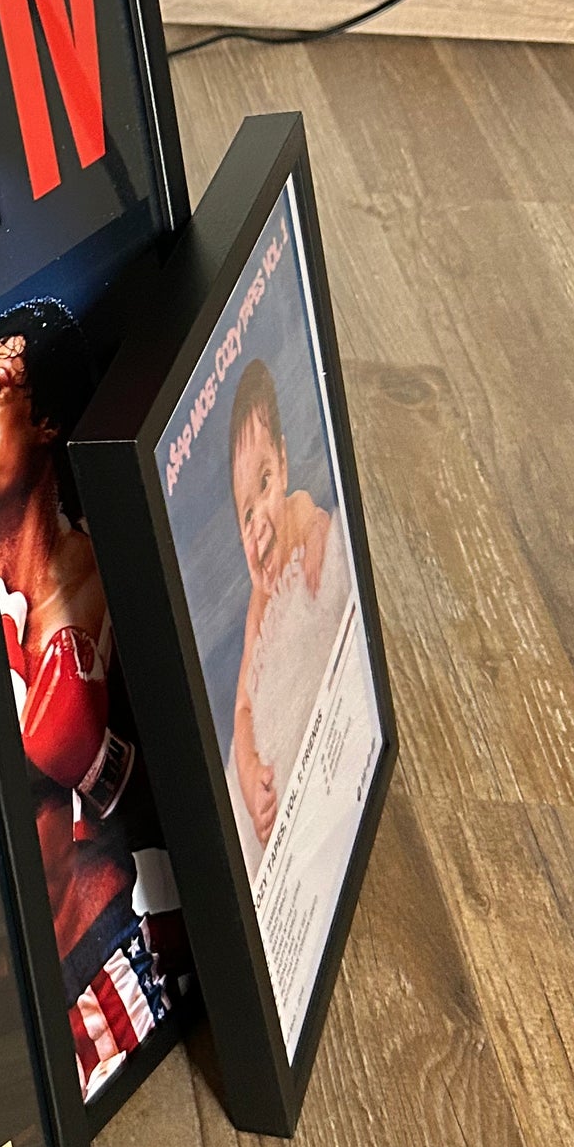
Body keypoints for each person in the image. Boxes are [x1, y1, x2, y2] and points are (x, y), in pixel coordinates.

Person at [0, 300, 180, 1096]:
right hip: (9, 1000)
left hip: (104, 958)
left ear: (46, 420)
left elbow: (189, 792)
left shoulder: (109, 578)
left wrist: (104, 763)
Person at [228, 359, 344, 853]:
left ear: (284, 464)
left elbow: (320, 522)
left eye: (264, 483)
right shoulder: (258, 607)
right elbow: (242, 708)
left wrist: (319, 541)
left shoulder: (298, 510)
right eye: (245, 515)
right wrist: (250, 776)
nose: (258, 522)